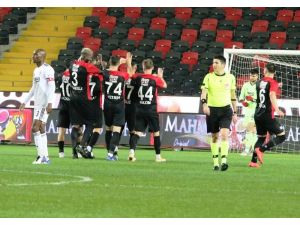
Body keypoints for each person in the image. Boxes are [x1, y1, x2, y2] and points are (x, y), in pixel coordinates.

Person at [200, 55, 238, 171]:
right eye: (213, 62)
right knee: (215, 137)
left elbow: (233, 96)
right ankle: (216, 163)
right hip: (213, 110)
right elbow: (204, 92)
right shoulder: (208, 77)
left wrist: (235, 112)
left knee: (225, 134)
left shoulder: (231, 77)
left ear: (223, 65)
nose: (214, 65)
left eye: (216, 63)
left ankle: (224, 161)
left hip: (226, 110)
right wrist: (205, 104)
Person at [19, 49, 55, 164]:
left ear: (43, 57)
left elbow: (51, 86)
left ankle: (41, 156)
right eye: (33, 54)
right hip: (38, 104)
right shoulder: (36, 70)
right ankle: (46, 157)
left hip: (44, 104)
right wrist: (25, 101)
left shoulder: (48, 69)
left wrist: (50, 102)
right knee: (40, 128)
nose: (34, 56)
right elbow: (33, 88)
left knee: (34, 128)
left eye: (36, 55)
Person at [129, 59, 167, 162]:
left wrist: (130, 63)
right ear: (153, 67)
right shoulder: (155, 79)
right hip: (151, 110)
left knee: (137, 132)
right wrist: (160, 76)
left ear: (143, 67)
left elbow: (130, 75)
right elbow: (164, 85)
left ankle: (132, 152)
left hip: (140, 109)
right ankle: (158, 156)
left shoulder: (138, 77)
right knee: (156, 133)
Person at [68, 48, 103, 159]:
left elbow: (78, 64)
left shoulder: (72, 64)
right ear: (87, 57)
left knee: (76, 125)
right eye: (90, 56)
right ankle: (82, 146)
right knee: (91, 123)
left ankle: (74, 152)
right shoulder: (87, 67)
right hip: (82, 98)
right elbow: (100, 72)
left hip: (72, 97)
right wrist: (99, 65)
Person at [249, 63, 285, 168]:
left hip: (258, 113)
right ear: (274, 72)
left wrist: (277, 85)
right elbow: (271, 94)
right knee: (282, 136)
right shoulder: (273, 82)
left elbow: (264, 92)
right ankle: (262, 149)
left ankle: (253, 162)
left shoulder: (259, 82)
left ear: (265, 71)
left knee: (261, 138)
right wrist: (277, 109)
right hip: (267, 115)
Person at [103, 53, 133, 161]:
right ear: (118, 65)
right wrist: (128, 62)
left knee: (108, 129)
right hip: (119, 105)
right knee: (116, 130)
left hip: (107, 104)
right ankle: (111, 154)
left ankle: (109, 152)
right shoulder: (122, 75)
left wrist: (119, 62)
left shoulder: (105, 73)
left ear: (110, 62)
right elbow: (130, 73)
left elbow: (107, 69)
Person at [239, 68, 259, 156]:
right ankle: (252, 150)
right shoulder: (245, 85)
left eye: (254, 76)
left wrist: (253, 99)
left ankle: (248, 149)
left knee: (251, 129)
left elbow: (261, 99)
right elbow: (241, 97)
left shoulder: (259, 85)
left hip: (256, 110)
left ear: (257, 76)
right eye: (251, 75)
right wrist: (243, 102)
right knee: (252, 130)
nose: (252, 77)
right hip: (247, 110)